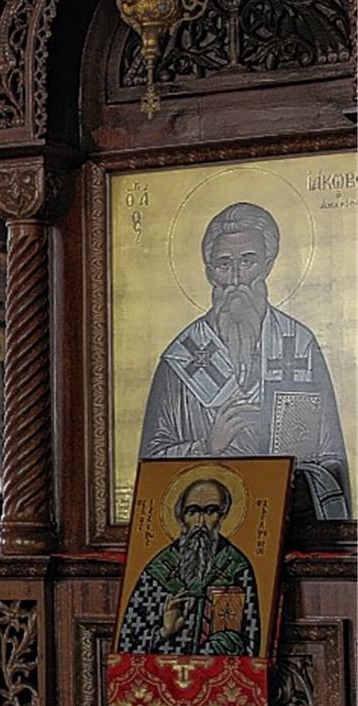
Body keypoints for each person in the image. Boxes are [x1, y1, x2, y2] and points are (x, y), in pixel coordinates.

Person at [139, 202, 350, 518]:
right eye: (224, 265)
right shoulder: (181, 357)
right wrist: (208, 448)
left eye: (247, 262)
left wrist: (288, 476)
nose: (236, 278)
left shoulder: (300, 346)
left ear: (267, 265)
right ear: (210, 272)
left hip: (284, 519)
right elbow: (151, 467)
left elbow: (330, 459)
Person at [117, 478, 260, 656]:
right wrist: (164, 632)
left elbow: (252, 641)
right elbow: (127, 646)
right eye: (192, 511)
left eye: (210, 511)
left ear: (222, 516)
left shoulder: (237, 567)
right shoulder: (158, 569)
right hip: (162, 676)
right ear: (181, 517)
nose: (200, 522)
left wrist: (223, 644)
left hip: (217, 676)